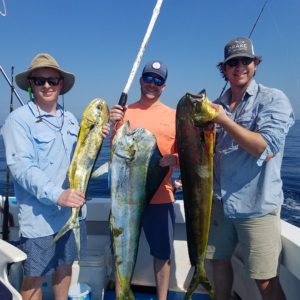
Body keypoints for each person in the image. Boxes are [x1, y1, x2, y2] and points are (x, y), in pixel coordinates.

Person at [1, 53, 109, 300]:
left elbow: (81, 158)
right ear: (31, 84)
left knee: (64, 265)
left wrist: (97, 137)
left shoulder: (70, 119)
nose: (47, 85)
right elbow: (21, 168)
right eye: (40, 80)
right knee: (34, 276)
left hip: (70, 213)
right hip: (40, 217)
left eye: (52, 80)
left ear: (61, 84)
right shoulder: (18, 121)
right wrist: (58, 194)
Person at [205, 37, 295, 300]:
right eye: (233, 62)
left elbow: (265, 148)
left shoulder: (273, 99)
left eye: (246, 60)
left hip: (256, 207)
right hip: (220, 203)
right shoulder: (216, 105)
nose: (239, 66)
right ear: (224, 69)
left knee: (265, 279)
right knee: (217, 262)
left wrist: (223, 119)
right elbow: (213, 152)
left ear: (256, 64)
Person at [110, 60, 178, 300]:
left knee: (162, 255)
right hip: (124, 201)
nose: (152, 84)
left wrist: (175, 159)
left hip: (160, 197)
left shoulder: (174, 116)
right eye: (148, 78)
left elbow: (186, 155)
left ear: (164, 86)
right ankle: (121, 295)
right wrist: (111, 124)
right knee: (121, 251)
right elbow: (113, 152)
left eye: (158, 80)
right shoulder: (123, 112)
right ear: (140, 80)